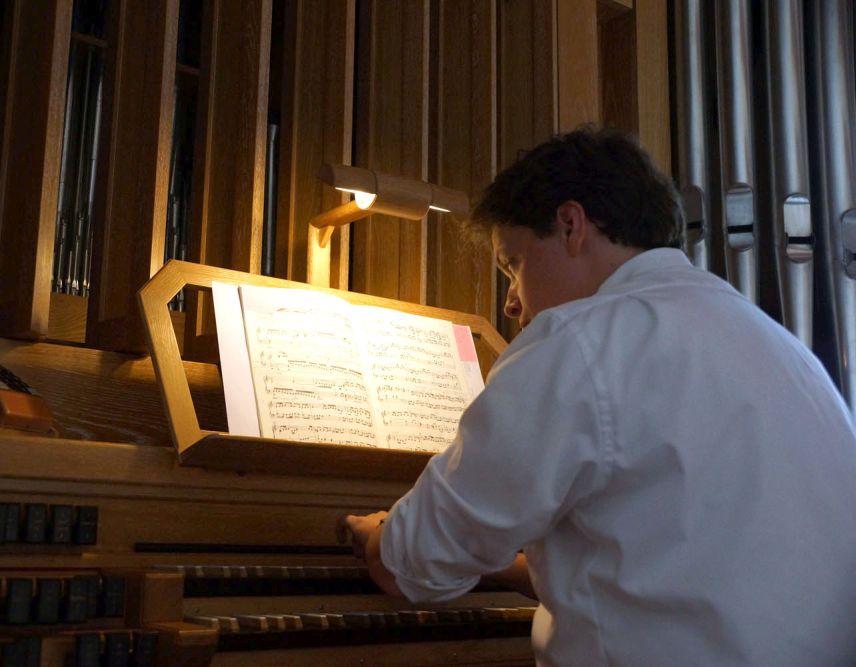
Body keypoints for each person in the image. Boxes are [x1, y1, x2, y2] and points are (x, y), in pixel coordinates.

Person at [338, 127, 856, 665]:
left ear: (570, 225)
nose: (511, 304)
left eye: (513, 264)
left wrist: (380, 535)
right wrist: (500, 561)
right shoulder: (785, 350)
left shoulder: (578, 339)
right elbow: (667, 583)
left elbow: (414, 563)